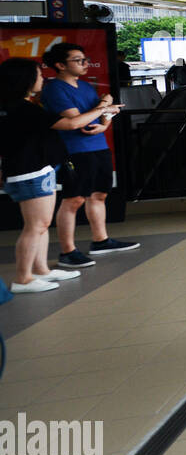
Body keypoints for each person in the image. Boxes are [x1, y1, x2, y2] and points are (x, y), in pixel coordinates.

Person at [0, 58, 111, 293]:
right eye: (38, 75)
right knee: (35, 225)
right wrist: (101, 109)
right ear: (25, 80)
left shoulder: (19, 106)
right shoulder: (22, 109)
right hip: (29, 173)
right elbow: (70, 124)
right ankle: (23, 279)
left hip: (38, 170)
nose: (43, 79)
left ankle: (41, 270)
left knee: (40, 225)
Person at [41, 43, 139, 268]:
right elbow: (77, 121)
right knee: (74, 199)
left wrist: (104, 122)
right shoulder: (55, 89)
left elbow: (98, 118)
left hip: (98, 146)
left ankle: (101, 240)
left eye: (85, 59)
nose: (85, 64)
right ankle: (68, 251)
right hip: (74, 150)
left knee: (99, 195)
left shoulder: (85, 87)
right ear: (60, 65)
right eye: (78, 60)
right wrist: (105, 104)